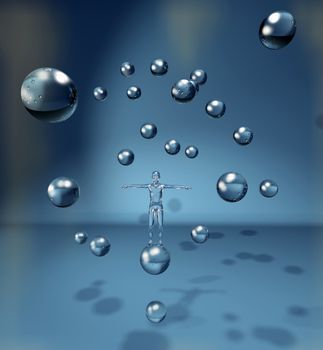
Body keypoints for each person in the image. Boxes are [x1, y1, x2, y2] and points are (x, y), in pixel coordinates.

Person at [122, 171, 191, 245]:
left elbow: (172, 186)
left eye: (157, 176)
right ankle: (150, 240)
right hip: (151, 206)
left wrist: (184, 187)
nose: (155, 177)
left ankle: (160, 241)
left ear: (159, 177)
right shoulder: (149, 186)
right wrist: (128, 186)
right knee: (150, 225)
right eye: (154, 176)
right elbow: (139, 185)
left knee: (160, 224)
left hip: (159, 206)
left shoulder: (162, 186)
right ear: (152, 177)